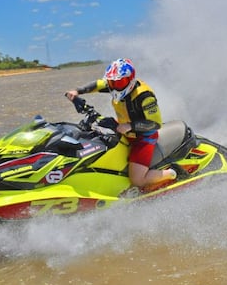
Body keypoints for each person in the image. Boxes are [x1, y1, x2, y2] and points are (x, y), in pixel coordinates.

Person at [66, 58, 177, 189]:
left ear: (130, 80)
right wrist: (77, 91)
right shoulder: (115, 86)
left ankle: (171, 173)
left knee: (137, 180)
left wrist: (131, 126)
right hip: (123, 129)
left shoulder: (144, 96)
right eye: (112, 82)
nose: (115, 85)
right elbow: (97, 84)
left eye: (120, 82)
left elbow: (156, 123)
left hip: (144, 137)